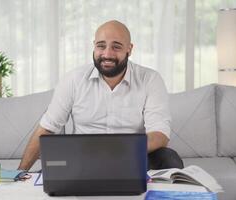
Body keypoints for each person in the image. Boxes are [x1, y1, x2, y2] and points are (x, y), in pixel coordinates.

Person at [18, 20, 183, 171]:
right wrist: (20, 172)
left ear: (129, 49)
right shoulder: (73, 79)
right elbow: (47, 128)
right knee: (47, 174)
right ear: (94, 46)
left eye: (116, 46)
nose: (107, 54)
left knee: (168, 158)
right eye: (101, 46)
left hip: (132, 158)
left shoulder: (150, 79)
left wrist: (120, 149)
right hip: (82, 160)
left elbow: (160, 134)